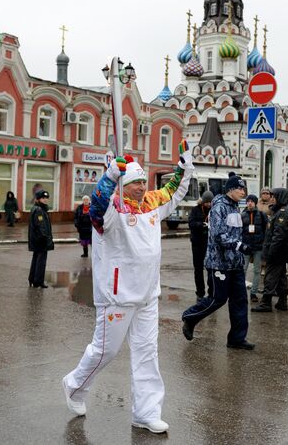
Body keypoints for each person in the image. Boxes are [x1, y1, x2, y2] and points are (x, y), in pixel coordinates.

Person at [62, 140, 194, 434]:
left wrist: (185, 167)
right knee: (105, 351)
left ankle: (146, 413)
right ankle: (74, 385)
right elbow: (95, 207)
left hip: (148, 295)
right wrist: (109, 178)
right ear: (124, 184)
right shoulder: (110, 209)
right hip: (118, 295)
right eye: (135, 182)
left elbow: (174, 190)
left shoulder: (151, 204)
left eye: (143, 181)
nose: (141, 187)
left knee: (148, 353)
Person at [181, 175, 255, 351]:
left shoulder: (236, 207)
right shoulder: (219, 208)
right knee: (217, 299)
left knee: (240, 300)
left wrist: (246, 243)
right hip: (219, 263)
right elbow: (218, 236)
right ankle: (190, 317)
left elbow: (236, 232)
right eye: (240, 189)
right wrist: (239, 245)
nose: (243, 192)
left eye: (244, 189)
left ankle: (237, 339)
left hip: (235, 264)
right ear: (230, 189)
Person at [251, 188, 288, 313]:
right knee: (280, 277)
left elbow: (278, 236)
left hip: (276, 252)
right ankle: (282, 301)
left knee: (269, 276)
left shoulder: (283, 212)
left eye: (274, 196)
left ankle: (266, 302)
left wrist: (270, 253)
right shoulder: (279, 211)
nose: (272, 198)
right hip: (279, 251)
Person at [241, 194, 268, 302]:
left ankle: (253, 293)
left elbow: (267, 230)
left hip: (258, 247)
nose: (250, 203)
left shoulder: (261, 215)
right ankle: (241, 292)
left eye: (252, 201)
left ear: (255, 203)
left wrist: (264, 243)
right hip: (245, 246)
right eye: (248, 201)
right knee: (243, 270)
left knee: (257, 271)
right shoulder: (242, 215)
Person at [188, 190, 214, 300]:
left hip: (209, 244)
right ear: (203, 201)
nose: (208, 204)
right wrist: (201, 225)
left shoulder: (214, 210)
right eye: (206, 202)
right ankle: (200, 293)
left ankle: (211, 292)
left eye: (210, 202)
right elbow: (191, 223)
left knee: (210, 269)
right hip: (197, 243)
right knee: (198, 269)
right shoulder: (195, 210)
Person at [28, 190, 54, 288]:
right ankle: (38, 281)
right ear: (38, 199)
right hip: (41, 240)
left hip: (37, 240)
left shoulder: (39, 209)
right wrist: (45, 238)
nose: (45, 200)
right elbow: (41, 226)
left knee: (36, 260)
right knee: (41, 262)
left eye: (46, 198)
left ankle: (33, 279)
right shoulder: (39, 210)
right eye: (43, 198)